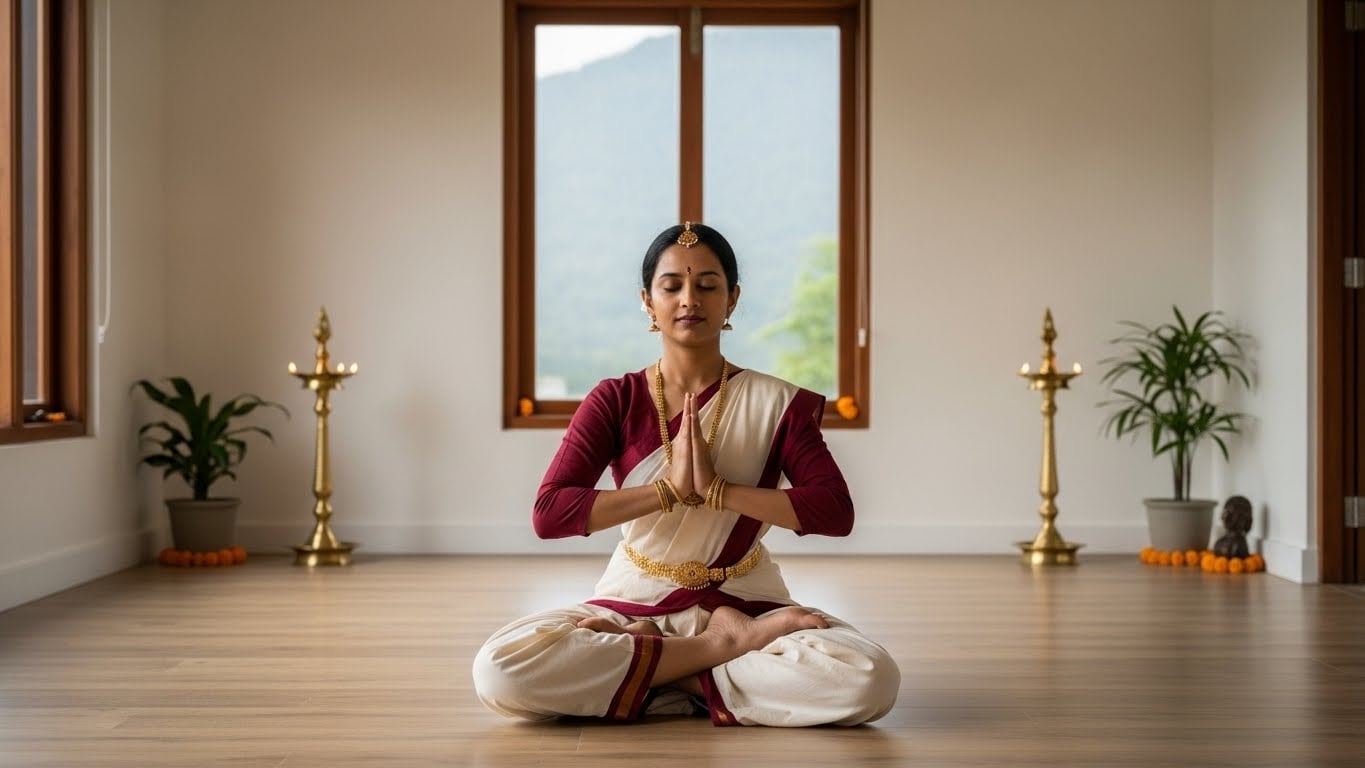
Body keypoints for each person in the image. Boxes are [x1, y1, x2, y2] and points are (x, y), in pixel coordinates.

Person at [472, 222, 899, 727]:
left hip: (745, 599)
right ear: (647, 301)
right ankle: (718, 653)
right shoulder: (615, 399)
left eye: (707, 285)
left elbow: (834, 513)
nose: (688, 299)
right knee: (500, 670)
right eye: (671, 286)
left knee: (871, 678)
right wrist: (667, 492)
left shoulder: (778, 403)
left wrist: (721, 491)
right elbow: (550, 515)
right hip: (633, 602)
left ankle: (649, 674)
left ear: (732, 299)